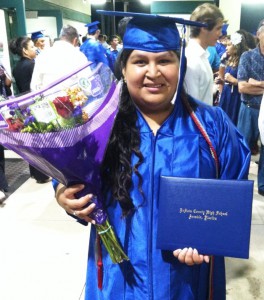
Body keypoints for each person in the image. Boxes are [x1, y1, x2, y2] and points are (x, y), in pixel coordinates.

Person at [55, 11, 250, 300]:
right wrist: (63, 193)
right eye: (140, 61)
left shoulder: (212, 126)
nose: (153, 72)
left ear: (179, 65)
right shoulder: (99, 126)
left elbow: (230, 201)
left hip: (188, 281)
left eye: (164, 60)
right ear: (124, 67)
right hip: (118, 279)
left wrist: (211, 237)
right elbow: (70, 181)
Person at [9, 36, 50, 184]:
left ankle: (35, 173)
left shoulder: (17, 67)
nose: (35, 49)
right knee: (40, 141)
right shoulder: (32, 64)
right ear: (24, 50)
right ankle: (42, 174)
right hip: (34, 106)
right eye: (32, 47)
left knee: (31, 141)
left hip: (23, 107)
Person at [237, 19, 264, 195]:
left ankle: (262, 186)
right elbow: (242, 86)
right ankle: (239, 184)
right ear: (258, 36)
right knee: (243, 148)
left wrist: (256, 83)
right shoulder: (247, 56)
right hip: (248, 108)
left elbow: (249, 85)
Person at [184, 3, 224, 106]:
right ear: (204, 27)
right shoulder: (192, 60)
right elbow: (192, 108)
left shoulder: (202, 56)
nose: (220, 34)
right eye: (218, 28)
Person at [31, 25, 88, 90]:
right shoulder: (79, 56)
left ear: (60, 37)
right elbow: (86, 87)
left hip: (47, 99)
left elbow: (34, 86)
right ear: (75, 40)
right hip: (72, 99)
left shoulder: (42, 55)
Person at [218, 32, 248, 125]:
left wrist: (235, 81)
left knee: (233, 121)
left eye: (229, 45)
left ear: (236, 46)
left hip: (236, 96)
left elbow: (248, 82)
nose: (226, 48)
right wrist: (221, 81)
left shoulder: (244, 60)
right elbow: (222, 75)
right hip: (227, 94)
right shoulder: (229, 59)